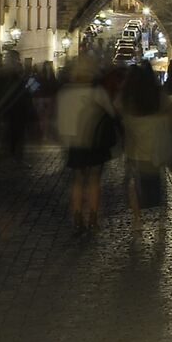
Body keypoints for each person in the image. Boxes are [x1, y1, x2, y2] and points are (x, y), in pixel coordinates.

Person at [55, 67, 117, 233]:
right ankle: (93, 218)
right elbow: (112, 113)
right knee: (94, 180)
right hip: (94, 142)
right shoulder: (97, 92)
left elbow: (60, 119)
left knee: (77, 180)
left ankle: (77, 218)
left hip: (75, 142)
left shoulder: (65, 92)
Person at [118, 59, 171, 211]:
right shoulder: (156, 93)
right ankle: (153, 207)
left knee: (135, 181)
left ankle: (138, 213)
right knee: (153, 182)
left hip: (134, 148)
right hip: (153, 148)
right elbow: (168, 111)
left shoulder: (128, 95)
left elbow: (117, 107)